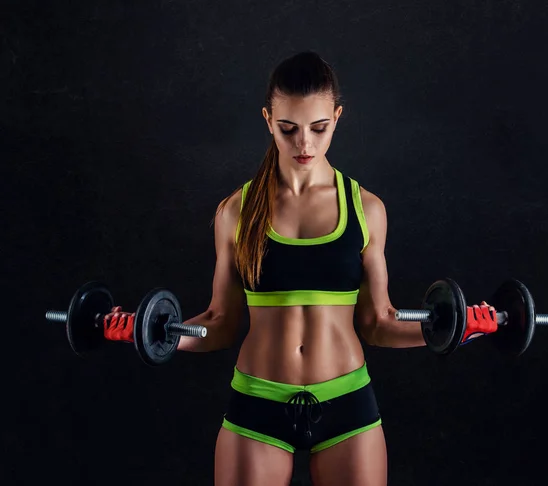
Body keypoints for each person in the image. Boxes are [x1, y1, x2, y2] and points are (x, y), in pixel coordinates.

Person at [103, 51, 498, 486]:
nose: (304, 144)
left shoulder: (366, 209)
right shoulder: (236, 211)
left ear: (337, 117)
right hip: (258, 401)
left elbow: (379, 322)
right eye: (288, 129)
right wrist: (154, 333)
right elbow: (220, 322)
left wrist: (458, 329)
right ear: (268, 119)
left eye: (319, 128)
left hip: (346, 399)